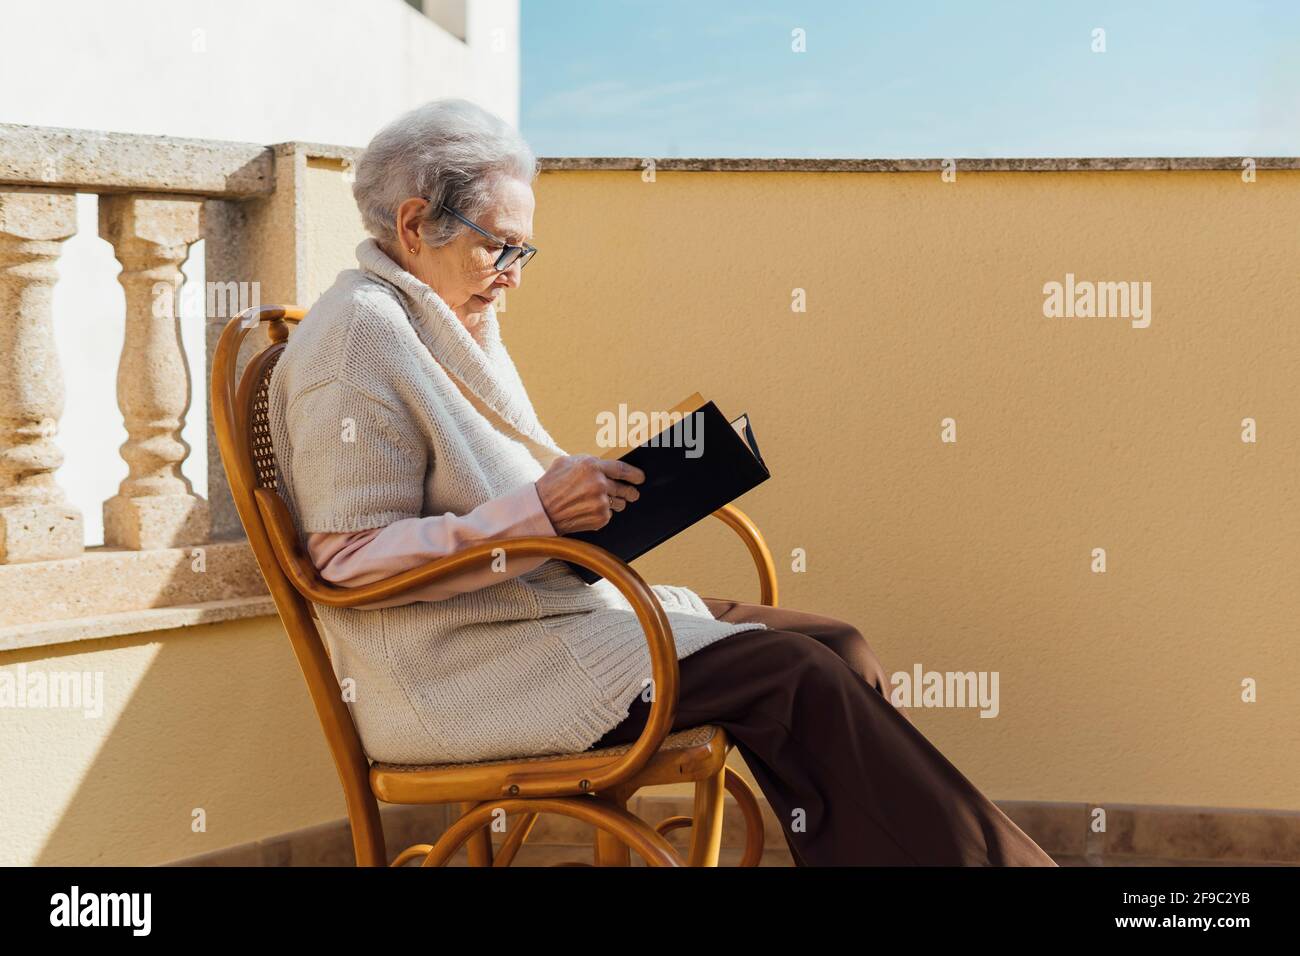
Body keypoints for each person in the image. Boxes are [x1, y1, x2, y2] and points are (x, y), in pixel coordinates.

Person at [267, 98, 1056, 866]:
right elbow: (346, 560)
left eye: (523, 252)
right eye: (498, 247)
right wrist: (539, 510)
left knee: (837, 645)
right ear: (413, 226)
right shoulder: (358, 341)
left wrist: (599, 497)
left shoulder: (446, 319)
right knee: (796, 676)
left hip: (547, 616)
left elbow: (492, 496)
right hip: (464, 675)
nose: (512, 276)